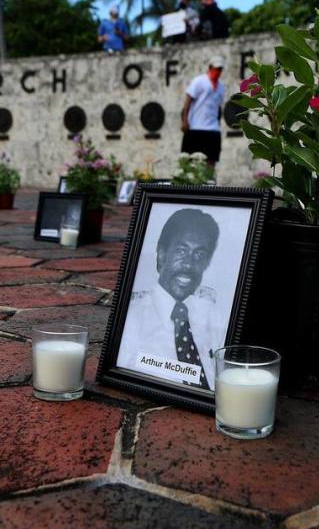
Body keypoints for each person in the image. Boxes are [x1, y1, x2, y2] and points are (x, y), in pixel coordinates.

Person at [117, 208, 224, 390]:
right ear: (162, 254)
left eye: (199, 254)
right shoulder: (130, 319)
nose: (189, 263)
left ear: (207, 263)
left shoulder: (217, 319)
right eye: (181, 251)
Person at [181, 56, 226, 167]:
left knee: (211, 160)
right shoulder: (199, 81)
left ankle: (208, 183)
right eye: (216, 68)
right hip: (195, 127)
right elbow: (188, 101)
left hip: (212, 129)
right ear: (210, 67)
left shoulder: (221, 87)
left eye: (220, 69)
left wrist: (218, 123)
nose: (218, 72)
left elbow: (218, 107)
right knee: (190, 161)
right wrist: (185, 121)